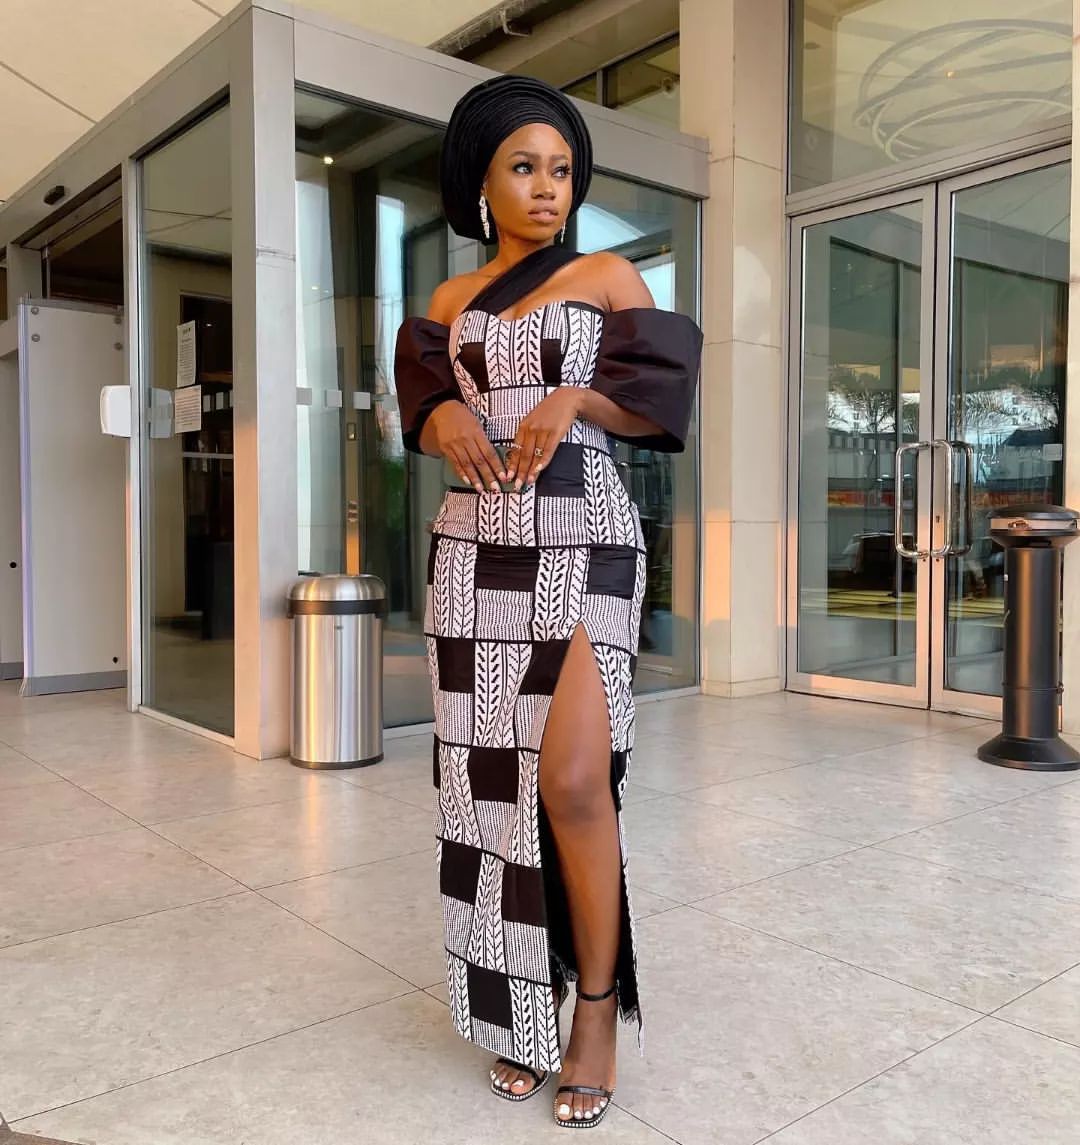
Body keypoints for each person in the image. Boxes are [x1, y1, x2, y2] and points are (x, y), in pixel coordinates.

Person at [395, 74, 701, 1129]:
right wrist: (441, 420)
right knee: (486, 790)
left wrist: (578, 395)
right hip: (474, 552)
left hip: (587, 535)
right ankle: (517, 1004)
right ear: (480, 182)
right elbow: (422, 404)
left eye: (562, 170)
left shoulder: (607, 275)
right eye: (523, 166)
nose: (546, 188)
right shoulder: (447, 305)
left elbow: (659, 401)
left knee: (573, 780)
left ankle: (597, 1009)